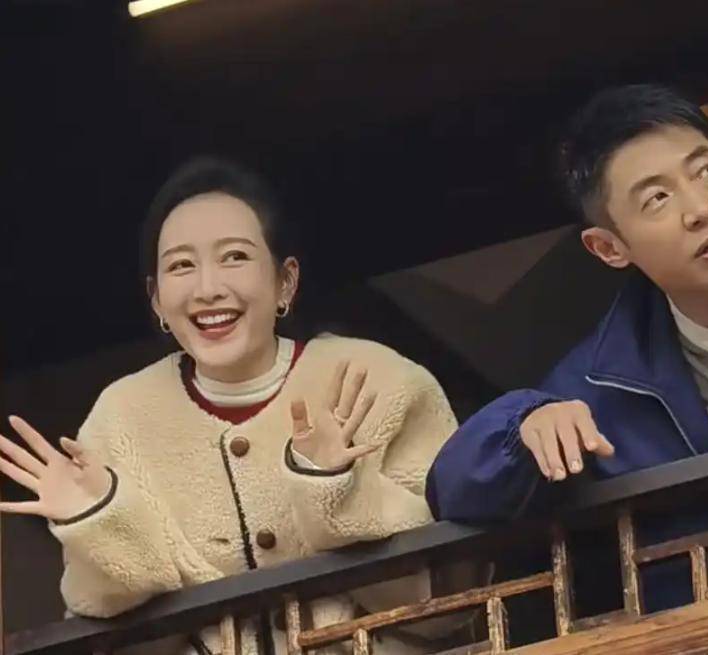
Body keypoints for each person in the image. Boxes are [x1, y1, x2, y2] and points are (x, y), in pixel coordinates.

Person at [0, 157, 467, 655]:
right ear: (156, 299)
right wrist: (102, 526)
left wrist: (338, 492)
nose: (208, 289)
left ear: (285, 281)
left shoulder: (374, 379)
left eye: (235, 257)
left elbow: (449, 604)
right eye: (181, 265)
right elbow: (126, 645)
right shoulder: (120, 418)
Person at [426, 84, 708, 613]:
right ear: (609, 248)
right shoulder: (605, 378)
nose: (701, 208)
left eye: (706, 170)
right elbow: (453, 491)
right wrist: (524, 424)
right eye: (657, 199)